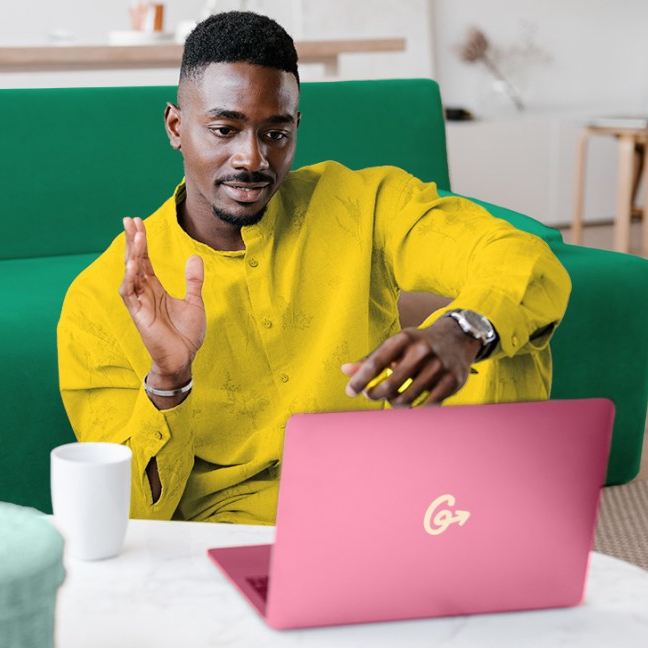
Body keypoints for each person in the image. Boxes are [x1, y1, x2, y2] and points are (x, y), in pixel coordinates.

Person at [57, 11, 571, 525]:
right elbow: (126, 514)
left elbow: (521, 256)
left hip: (386, 497)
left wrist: (463, 330)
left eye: (275, 133)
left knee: (502, 338)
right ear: (176, 126)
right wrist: (169, 380)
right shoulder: (100, 300)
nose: (252, 158)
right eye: (224, 130)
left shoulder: (362, 204)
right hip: (240, 532)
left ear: (296, 127)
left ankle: (490, 531)